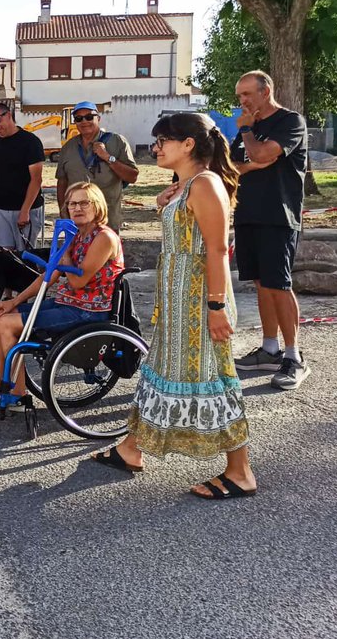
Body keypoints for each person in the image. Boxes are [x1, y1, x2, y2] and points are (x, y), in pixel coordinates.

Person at [91, 113, 257, 501]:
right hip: (178, 300)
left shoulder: (205, 184)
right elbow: (186, 230)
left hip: (200, 301)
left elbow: (216, 250)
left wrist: (216, 306)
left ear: (188, 144)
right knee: (162, 369)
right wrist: (165, 200)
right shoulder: (188, 185)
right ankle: (130, 449)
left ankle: (241, 470)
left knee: (214, 376)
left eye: (163, 140)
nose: (156, 147)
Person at [0, 181, 123, 403]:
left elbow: (78, 281)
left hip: (88, 311)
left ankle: (7, 389)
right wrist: (13, 301)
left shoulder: (103, 237)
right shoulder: (77, 235)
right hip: (67, 304)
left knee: (8, 324)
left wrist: (64, 253)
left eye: (84, 203)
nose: (77, 208)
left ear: (97, 206)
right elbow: (49, 276)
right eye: (72, 204)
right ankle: (0, 383)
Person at [227, 70, 310, 391]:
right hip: (247, 213)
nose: (242, 102)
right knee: (261, 283)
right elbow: (233, 165)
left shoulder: (290, 122)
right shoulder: (251, 127)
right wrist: (251, 163)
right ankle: (270, 348)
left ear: (266, 92)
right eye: (239, 96)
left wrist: (248, 133)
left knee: (279, 283)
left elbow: (262, 153)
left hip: (278, 215)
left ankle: (293, 357)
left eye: (247, 95)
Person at [55, 102, 138, 231]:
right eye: (78, 118)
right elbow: (62, 181)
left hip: (106, 221)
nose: (84, 121)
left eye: (89, 117)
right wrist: (63, 212)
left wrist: (107, 157)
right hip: (76, 222)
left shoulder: (117, 142)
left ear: (98, 118)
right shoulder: (68, 147)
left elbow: (132, 176)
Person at [0, 103, 45, 251]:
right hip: (1, 207)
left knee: (26, 256)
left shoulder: (30, 142)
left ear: (8, 115)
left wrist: (25, 211)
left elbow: (37, 179)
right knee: (5, 255)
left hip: (26, 209)